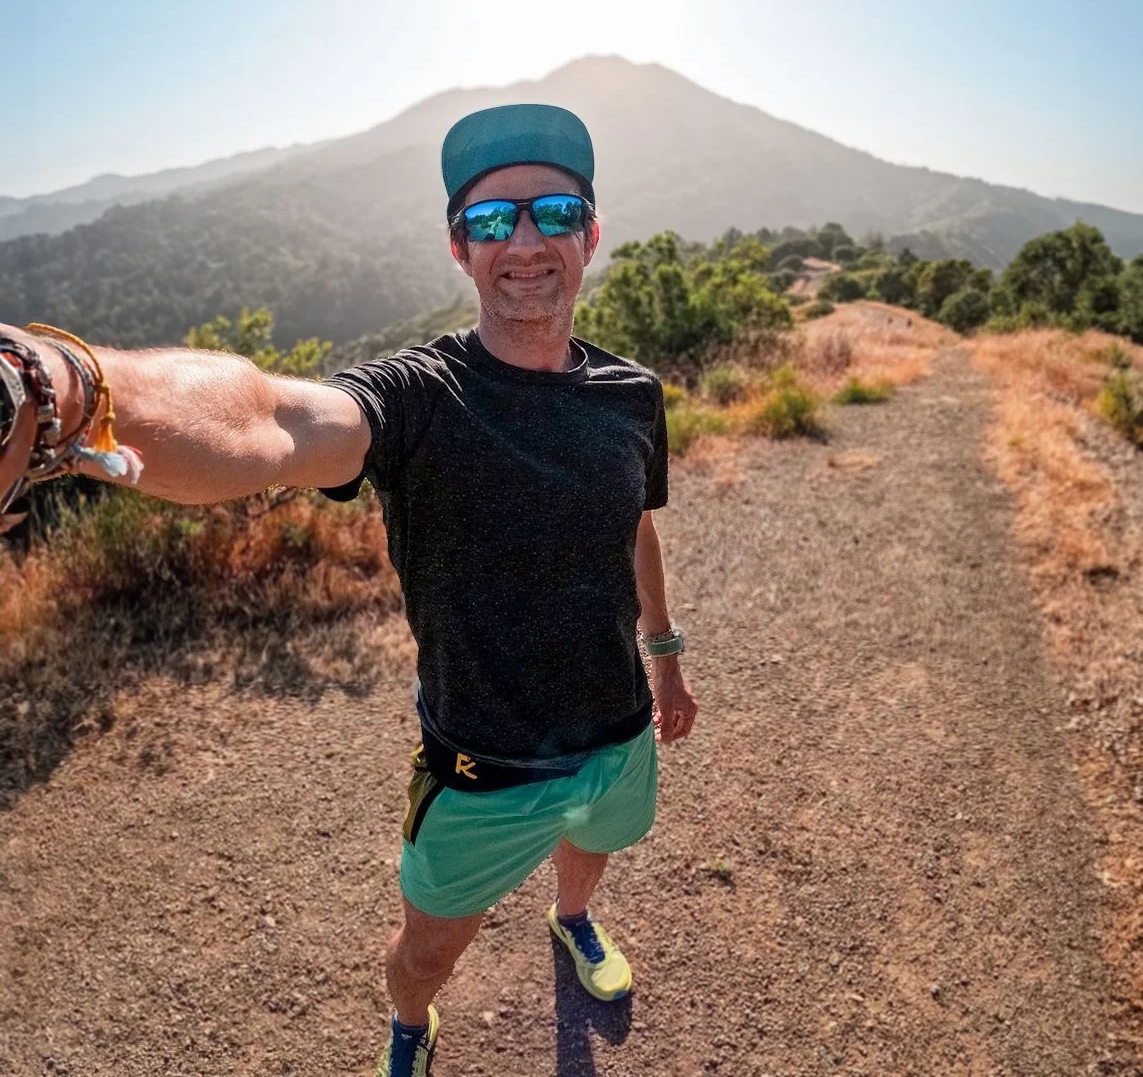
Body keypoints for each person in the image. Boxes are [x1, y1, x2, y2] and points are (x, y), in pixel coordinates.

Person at [0, 102, 698, 1077]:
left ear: (592, 229)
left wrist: (664, 655)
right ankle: (412, 1024)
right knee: (424, 954)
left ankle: (571, 914)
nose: (526, 241)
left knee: (595, 842)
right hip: (481, 771)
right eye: (494, 221)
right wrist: (59, 384)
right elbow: (271, 417)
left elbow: (635, 524)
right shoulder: (418, 397)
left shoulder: (633, 394)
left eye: (551, 211)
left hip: (618, 732)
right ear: (459, 247)